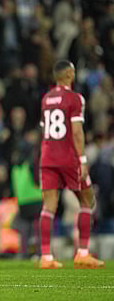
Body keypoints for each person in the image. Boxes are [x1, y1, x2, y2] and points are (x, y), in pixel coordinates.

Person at [39, 60, 105, 269]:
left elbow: (45, 131)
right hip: (68, 157)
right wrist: (83, 160)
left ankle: (46, 257)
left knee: (49, 206)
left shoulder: (46, 98)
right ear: (68, 74)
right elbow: (76, 131)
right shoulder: (76, 99)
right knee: (87, 200)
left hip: (48, 157)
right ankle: (83, 253)